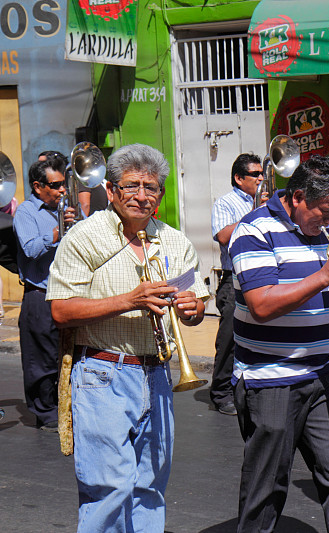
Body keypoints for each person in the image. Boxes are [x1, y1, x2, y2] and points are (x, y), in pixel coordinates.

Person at [47, 143, 209, 531]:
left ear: (162, 194)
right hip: (102, 373)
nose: (141, 196)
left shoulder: (174, 241)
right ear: (111, 189)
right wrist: (128, 300)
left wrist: (193, 309)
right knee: (110, 489)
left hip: (157, 375)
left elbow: (197, 305)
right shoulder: (84, 237)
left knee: (150, 486)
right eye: (132, 185)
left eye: (150, 187)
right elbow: (60, 311)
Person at [228, 155, 329, 533]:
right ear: (296, 198)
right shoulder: (253, 231)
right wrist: (327, 274)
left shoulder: (326, 226)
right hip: (270, 377)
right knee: (267, 487)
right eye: (323, 213)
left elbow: (327, 288)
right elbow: (262, 305)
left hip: (324, 371)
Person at [13, 157, 74, 432]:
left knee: (66, 353)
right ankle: (45, 411)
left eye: (64, 184)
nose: (62, 191)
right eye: (56, 185)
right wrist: (57, 233)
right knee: (41, 359)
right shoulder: (26, 212)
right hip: (40, 293)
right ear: (38, 186)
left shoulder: (62, 209)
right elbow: (30, 249)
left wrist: (76, 226)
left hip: (66, 294)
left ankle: (67, 405)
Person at [209, 153, 264, 416]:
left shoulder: (268, 200)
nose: (261, 178)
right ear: (239, 178)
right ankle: (221, 392)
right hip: (234, 278)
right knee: (230, 337)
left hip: (261, 275)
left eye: (262, 173)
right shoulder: (226, 202)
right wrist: (255, 213)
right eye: (255, 174)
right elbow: (222, 235)